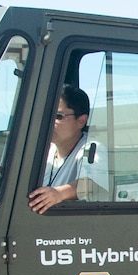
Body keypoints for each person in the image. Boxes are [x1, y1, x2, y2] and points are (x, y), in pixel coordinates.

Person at [28, 84, 108, 213]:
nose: (50, 121)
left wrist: (58, 194)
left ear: (81, 121)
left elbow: (91, 184)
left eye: (58, 116)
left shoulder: (92, 147)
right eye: (48, 115)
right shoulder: (46, 150)